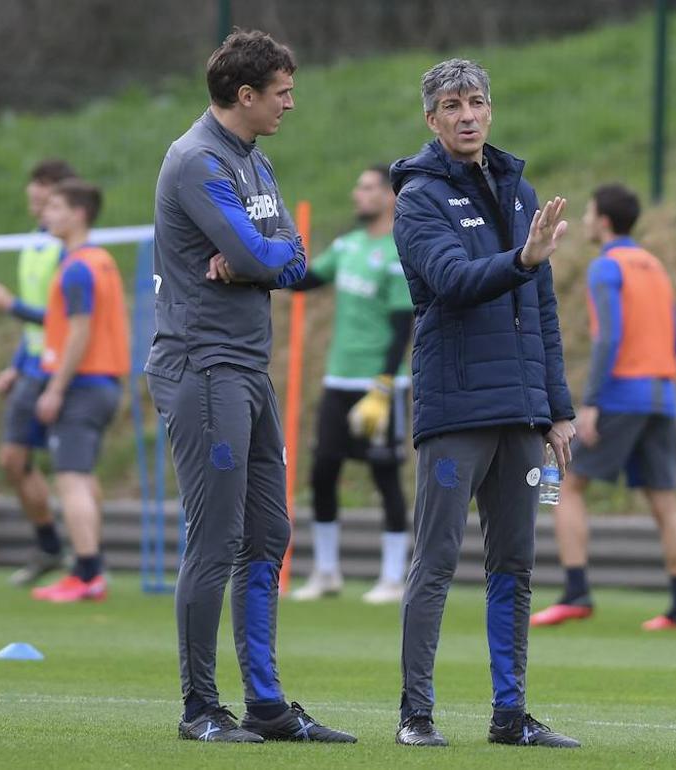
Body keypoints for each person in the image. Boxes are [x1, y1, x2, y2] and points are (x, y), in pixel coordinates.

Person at [146, 30, 355, 744]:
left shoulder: (254, 160)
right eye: (282, 93)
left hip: (247, 369)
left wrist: (261, 260)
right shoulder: (197, 161)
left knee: (269, 532)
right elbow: (262, 255)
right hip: (203, 369)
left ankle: (266, 705)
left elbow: (292, 258)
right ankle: (200, 708)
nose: (289, 104)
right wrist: (262, 258)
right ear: (245, 95)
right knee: (216, 539)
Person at [389, 58, 579, 749]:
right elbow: (452, 280)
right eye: (451, 105)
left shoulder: (519, 190)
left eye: (475, 101)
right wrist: (523, 260)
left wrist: (558, 407)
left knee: (515, 566)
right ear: (431, 119)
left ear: (490, 110)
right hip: (457, 408)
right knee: (436, 561)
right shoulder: (418, 198)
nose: (466, 114)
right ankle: (416, 715)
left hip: (522, 413)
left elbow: (543, 309)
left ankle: (510, 715)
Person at [531, 183, 676, 631]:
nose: (585, 221)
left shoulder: (606, 267)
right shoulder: (655, 265)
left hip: (622, 395)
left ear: (602, 221)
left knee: (566, 485)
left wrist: (592, 402)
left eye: (588, 214)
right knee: (666, 502)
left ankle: (576, 592)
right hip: (663, 395)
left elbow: (609, 337)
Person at [289, 164, 414, 605]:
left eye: (367, 187)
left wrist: (384, 384)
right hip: (338, 379)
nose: (357, 194)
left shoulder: (399, 252)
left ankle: (394, 577)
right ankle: (326, 572)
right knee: (323, 471)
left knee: (385, 474)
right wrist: (262, 257)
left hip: (380, 383)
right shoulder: (347, 246)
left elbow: (403, 326)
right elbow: (303, 281)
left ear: (390, 196)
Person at [0, 158, 77, 587]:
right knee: (13, 460)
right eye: (33, 185)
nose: (33, 194)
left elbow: (67, 319)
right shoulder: (35, 242)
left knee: (74, 468)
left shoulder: (70, 250)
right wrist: (16, 366)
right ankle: (50, 547)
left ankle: (89, 561)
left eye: (43, 187)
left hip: (66, 369)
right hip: (34, 367)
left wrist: (9, 305)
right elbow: (40, 321)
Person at [25, 179, 129, 603]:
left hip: (84, 384)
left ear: (79, 214)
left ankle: (86, 572)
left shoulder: (77, 268)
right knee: (83, 479)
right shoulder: (101, 261)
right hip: (104, 383)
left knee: (70, 481)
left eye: (56, 207)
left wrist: (55, 389)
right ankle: (90, 568)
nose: (46, 214)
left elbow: (79, 332)